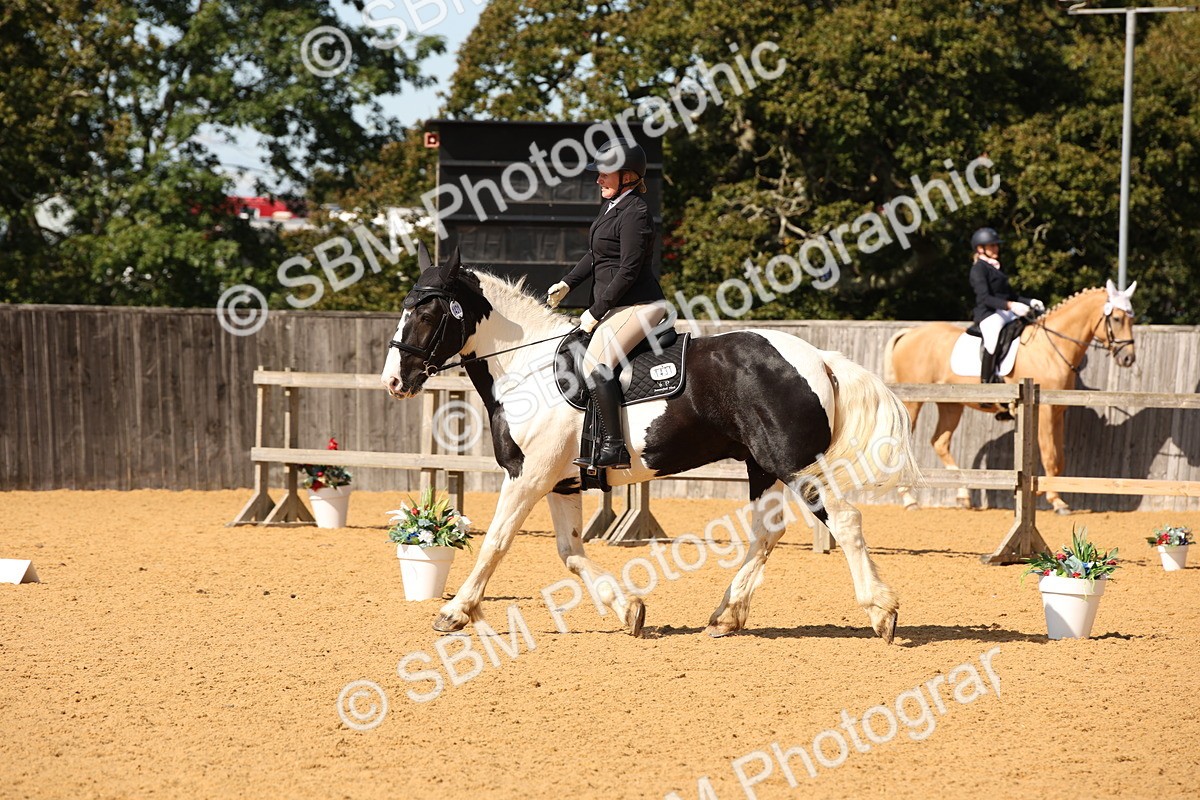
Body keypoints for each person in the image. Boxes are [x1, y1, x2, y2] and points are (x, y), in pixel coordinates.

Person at [545, 139, 670, 469]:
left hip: (640, 305)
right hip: (619, 306)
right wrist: (568, 282)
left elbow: (628, 270)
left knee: (595, 364)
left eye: (605, 174)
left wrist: (595, 311)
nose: (598, 179)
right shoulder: (614, 207)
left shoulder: (637, 213)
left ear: (628, 176)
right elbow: (595, 255)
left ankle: (615, 447)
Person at [969, 227, 1044, 385]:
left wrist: (1029, 302)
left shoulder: (996, 268)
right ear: (980, 248)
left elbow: (1012, 295)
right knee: (992, 339)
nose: (996, 248)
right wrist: (1010, 305)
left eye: (996, 245)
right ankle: (986, 383)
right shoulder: (978, 269)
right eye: (992, 246)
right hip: (988, 314)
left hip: (1005, 311)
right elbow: (984, 297)